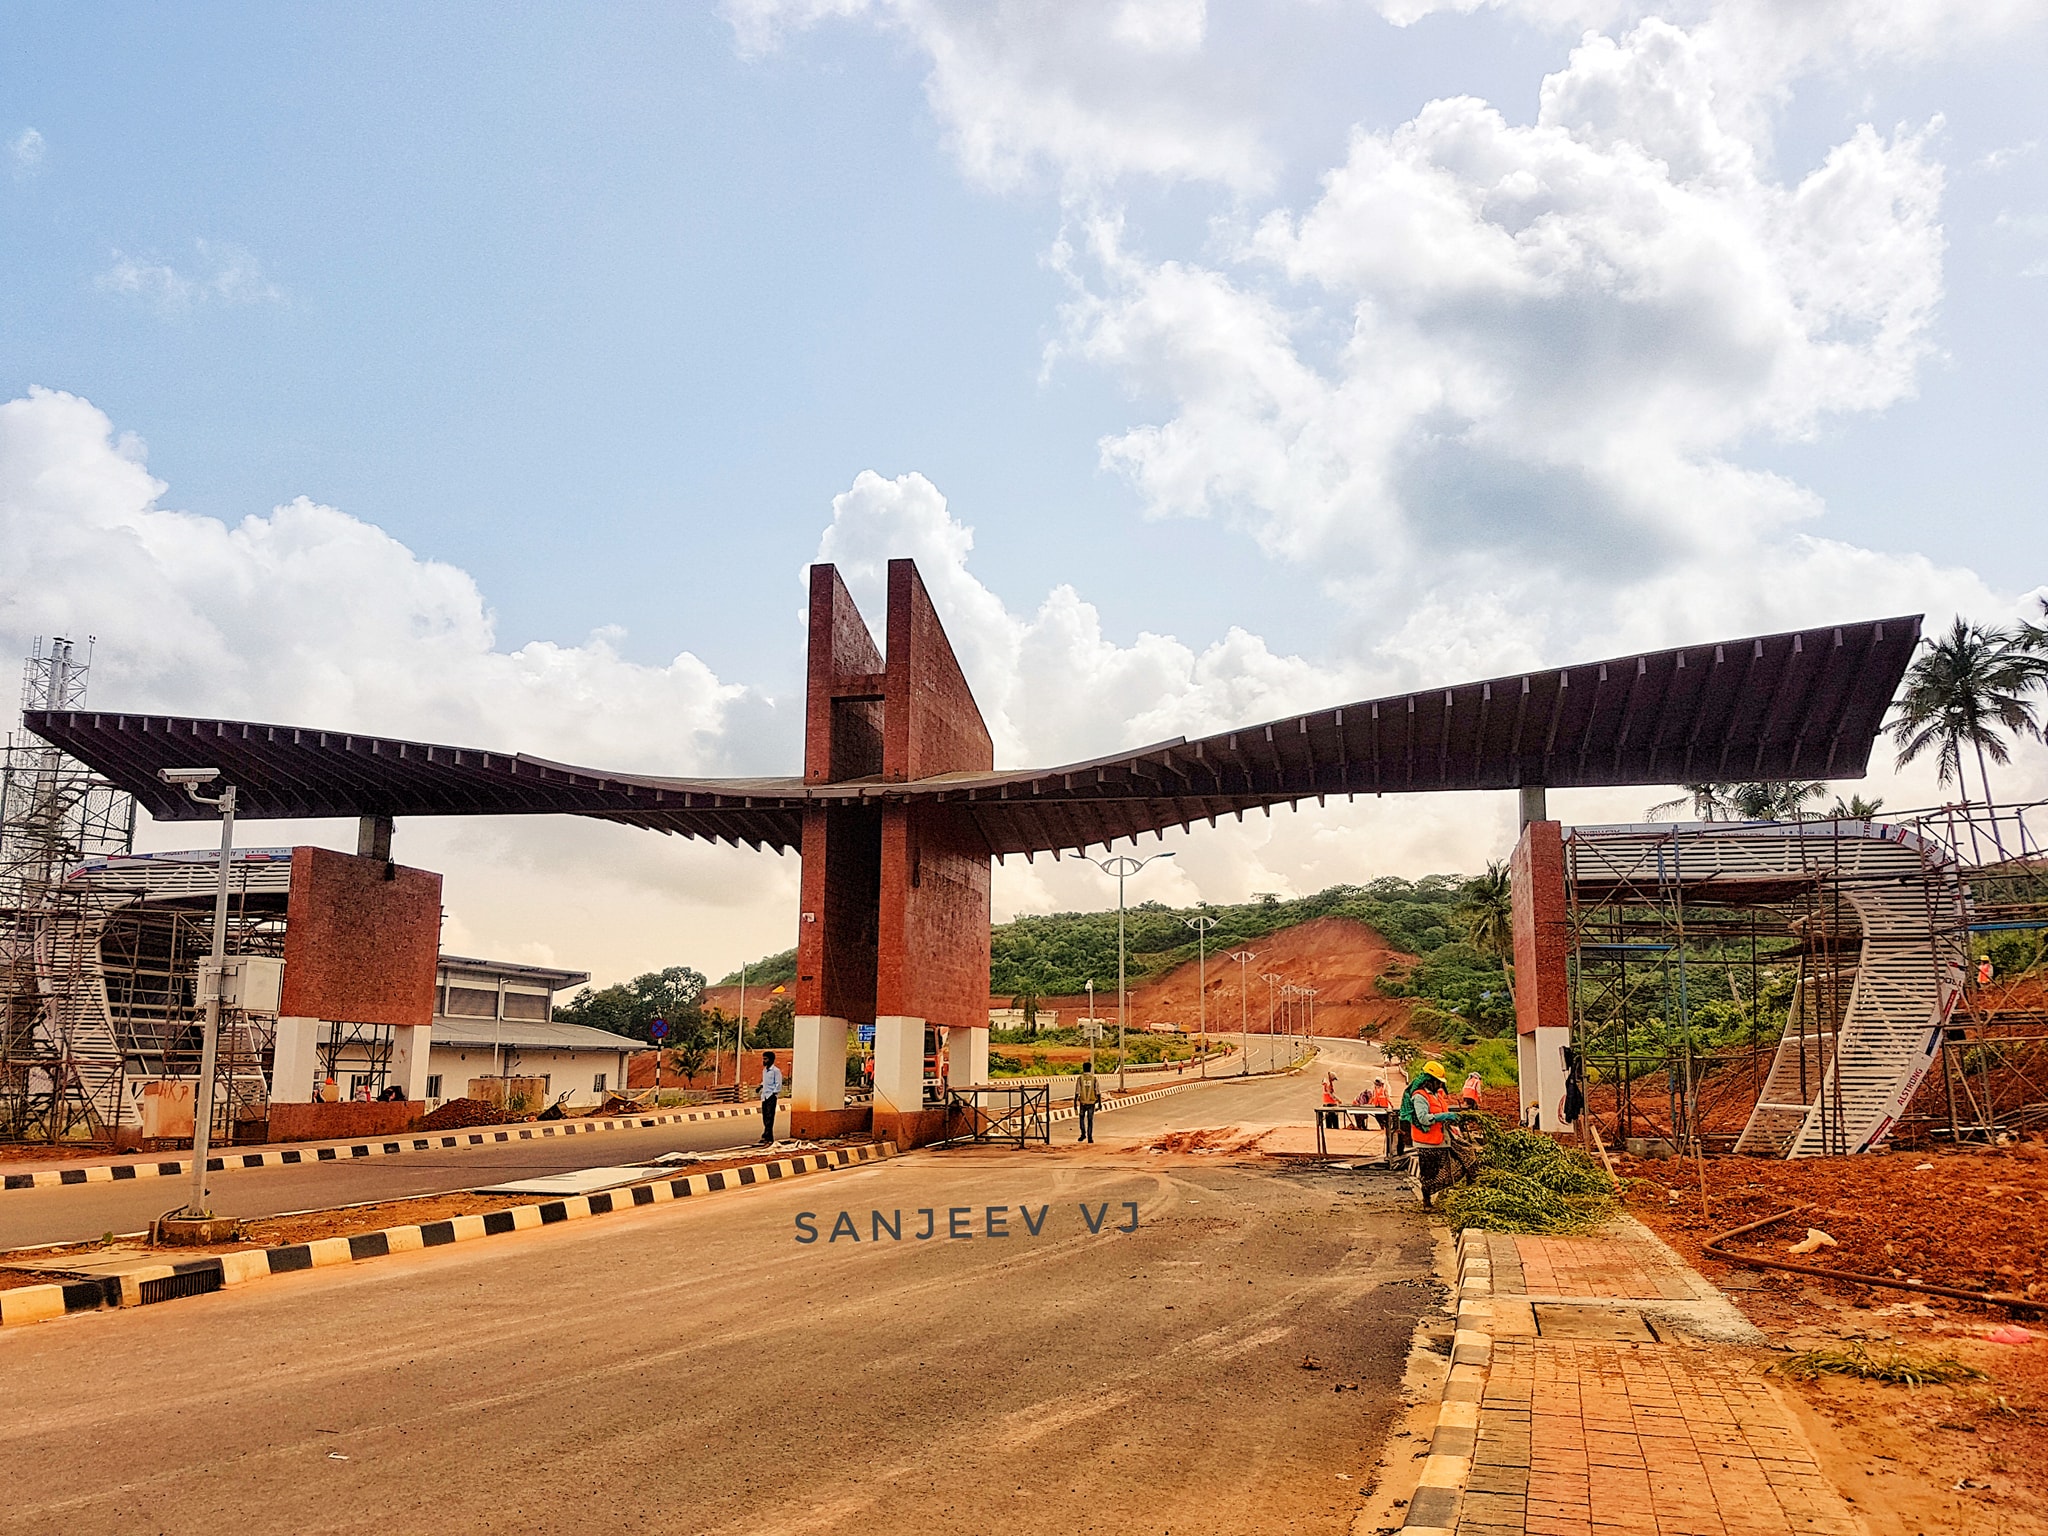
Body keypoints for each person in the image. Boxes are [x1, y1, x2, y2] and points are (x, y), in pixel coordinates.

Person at [1401, 1059, 1476, 1209]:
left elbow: (1442, 1110)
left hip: (1442, 1138)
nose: (1441, 1085)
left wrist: (1451, 1118)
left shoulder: (1437, 1094)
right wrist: (1442, 1117)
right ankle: (1426, 1201)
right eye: (1439, 1082)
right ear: (1430, 1081)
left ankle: (1463, 1188)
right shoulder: (1419, 1096)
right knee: (1429, 1174)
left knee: (1467, 1155)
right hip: (1427, 1142)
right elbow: (1423, 1119)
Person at [758, 1051, 782, 1145]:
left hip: (771, 1096)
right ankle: (769, 1137)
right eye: (763, 1059)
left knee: (770, 1117)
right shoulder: (765, 1070)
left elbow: (778, 1083)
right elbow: (765, 1081)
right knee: (765, 1117)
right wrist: (760, 1087)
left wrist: (774, 1093)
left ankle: (766, 1136)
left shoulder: (776, 1071)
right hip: (764, 1096)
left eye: (765, 1059)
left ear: (771, 1060)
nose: (764, 1061)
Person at [1073, 1060, 1100, 1143]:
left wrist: (1074, 1102)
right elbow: (1098, 1092)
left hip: (1082, 1102)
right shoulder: (1094, 1079)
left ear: (1083, 1068)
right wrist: (1100, 1103)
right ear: (1090, 1069)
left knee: (1081, 1118)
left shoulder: (1080, 1079)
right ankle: (1090, 1137)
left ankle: (1083, 1134)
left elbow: (1077, 1091)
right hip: (1092, 1102)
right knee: (1090, 1120)